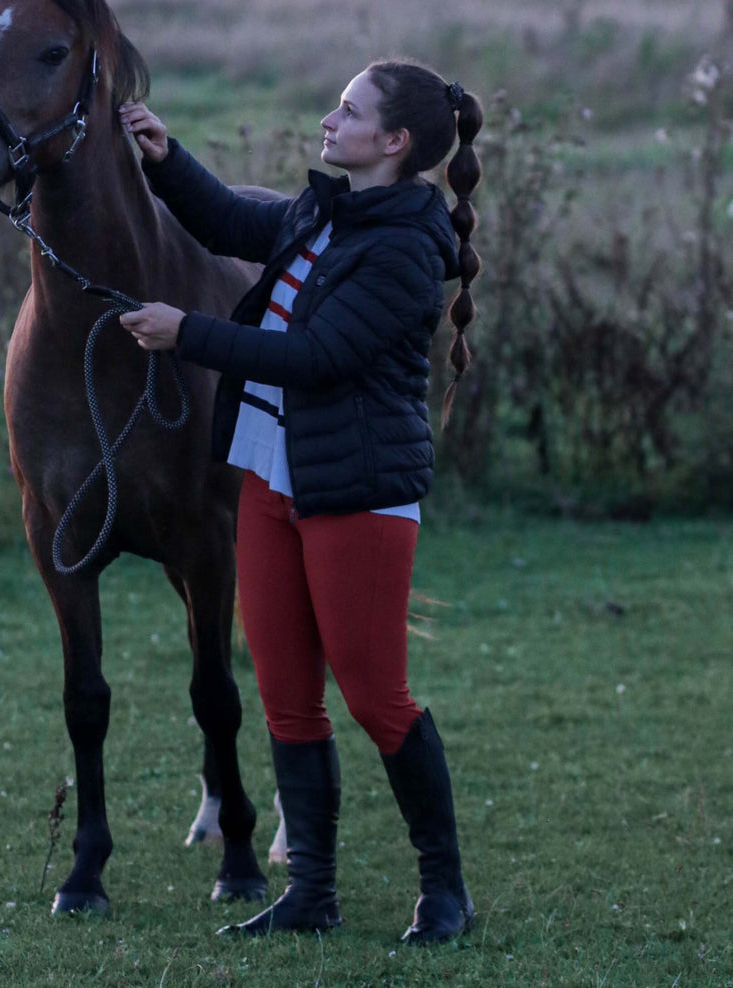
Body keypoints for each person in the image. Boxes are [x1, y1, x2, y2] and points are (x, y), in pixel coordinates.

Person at [117, 59, 483, 943]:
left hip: (357, 491)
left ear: (394, 143)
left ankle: (444, 890)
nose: (330, 118)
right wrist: (168, 160)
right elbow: (237, 221)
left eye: (348, 111)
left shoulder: (402, 250)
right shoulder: (330, 209)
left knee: (374, 696)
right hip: (272, 475)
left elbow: (317, 356)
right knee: (284, 693)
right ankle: (310, 894)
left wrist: (187, 334)